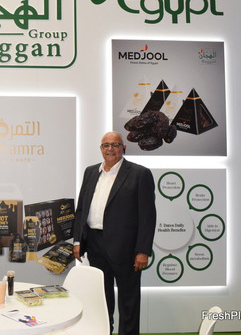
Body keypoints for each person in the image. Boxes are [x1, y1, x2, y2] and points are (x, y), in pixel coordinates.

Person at [73, 131, 156, 335]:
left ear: (123, 148)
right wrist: (77, 241)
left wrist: (143, 250)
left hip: (127, 249)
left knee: (128, 301)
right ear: (101, 149)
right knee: (102, 299)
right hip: (95, 244)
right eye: (106, 145)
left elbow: (148, 216)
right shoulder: (90, 172)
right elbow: (82, 209)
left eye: (115, 145)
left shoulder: (140, 174)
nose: (110, 149)